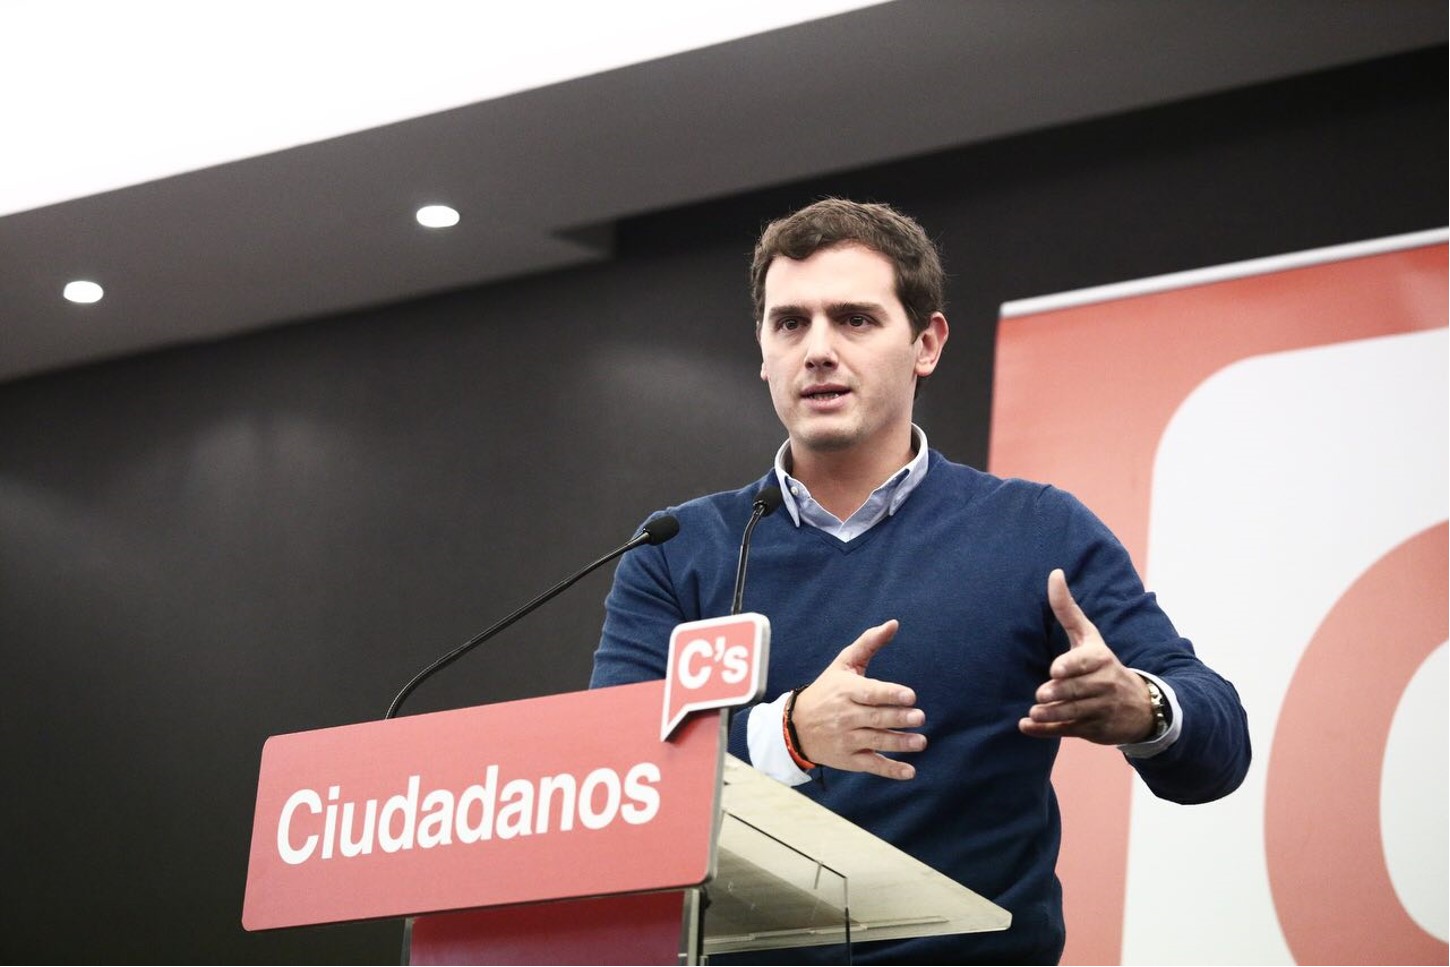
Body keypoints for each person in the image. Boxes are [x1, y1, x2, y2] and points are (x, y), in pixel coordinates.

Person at [590, 198, 1250, 964]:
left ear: (926, 343)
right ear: (763, 349)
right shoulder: (677, 548)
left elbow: (1217, 747)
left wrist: (1143, 706)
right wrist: (790, 734)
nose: (818, 350)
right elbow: (615, 783)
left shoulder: (1036, 530)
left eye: (856, 320)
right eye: (790, 323)